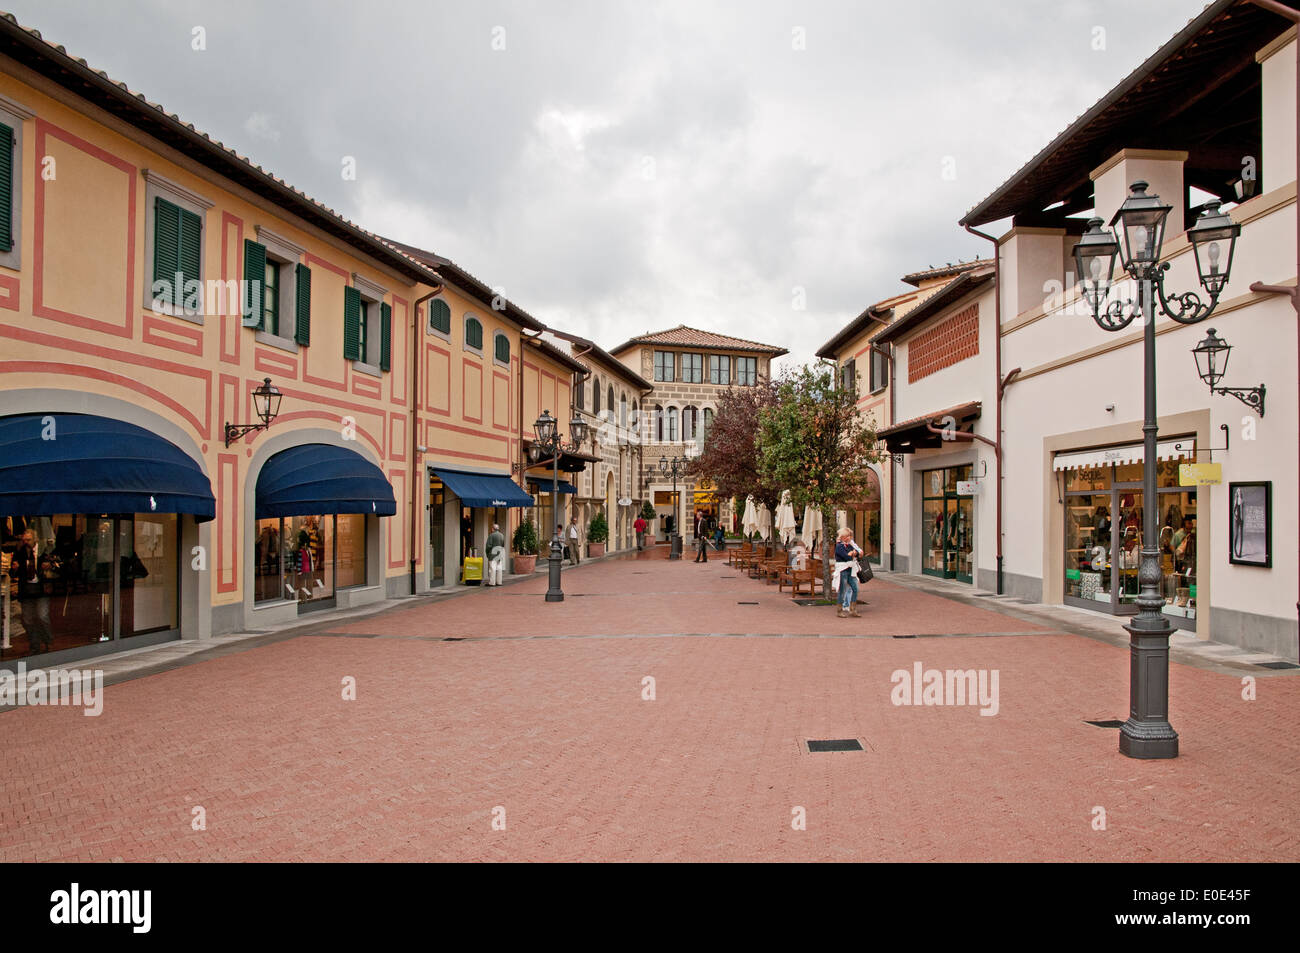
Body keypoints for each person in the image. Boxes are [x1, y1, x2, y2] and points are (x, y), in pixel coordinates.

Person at [12, 529, 54, 655]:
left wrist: (49, 566)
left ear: (35, 540)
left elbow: (56, 565)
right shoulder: (19, 552)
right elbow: (12, 572)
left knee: (42, 616)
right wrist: (15, 569)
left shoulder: (43, 551)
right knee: (28, 620)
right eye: (24, 540)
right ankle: (34, 645)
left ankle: (47, 641)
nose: (26, 542)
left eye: (28, 540)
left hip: (41, 589)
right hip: (26, 590)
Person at [833, 526, 864, 619]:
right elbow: (846, 557)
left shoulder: (849, 545)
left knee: (856, 589)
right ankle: (839, 610)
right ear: (842, 537)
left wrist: (853, 553)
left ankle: (853, 609)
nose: (849, 538)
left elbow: (858, 554)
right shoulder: (839, 546)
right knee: (842, 590)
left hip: (851, 570)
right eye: (847, 536)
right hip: (843, 571)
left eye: (849, 536)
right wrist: (852, 554)